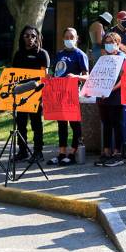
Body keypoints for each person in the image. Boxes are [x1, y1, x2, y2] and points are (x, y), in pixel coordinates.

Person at [48, 28, 90, 165]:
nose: (69, 39)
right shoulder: (59, 54)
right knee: (61, 124)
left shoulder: (80, 54)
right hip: (58, 94)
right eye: (66, 37)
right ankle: (61, 153)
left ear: (77, 38)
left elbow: (87, 76)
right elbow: (55, 72)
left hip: (72, 94)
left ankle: (72, 154)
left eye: (72, 37)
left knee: (74, 124)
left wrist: (76, 77)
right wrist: (49, 77)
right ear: (62, 39)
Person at [11, 25, 51, 163]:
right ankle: (22, 151)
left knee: (36, 124)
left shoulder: (42, 54)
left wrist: (43, 98)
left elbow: (45, 78)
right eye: (27, 36)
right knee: (20, 123)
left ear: (37, 37)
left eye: (33, 36)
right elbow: (14, 75)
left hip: (36, 94)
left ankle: (38, 152)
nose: (30, 39)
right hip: (21, 94)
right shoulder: (18, 54)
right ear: (22, 37)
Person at [94, 32, 126, 167]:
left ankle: (118, 153)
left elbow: (124, 79)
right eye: (106, 42)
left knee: (116, 124)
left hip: (116, 96)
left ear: (118, 43)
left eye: (111, 42)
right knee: (106, 123)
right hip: (103, 96)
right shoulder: (104, 58)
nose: (108, 44)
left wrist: (111, 89)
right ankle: (106, 152)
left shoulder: (123, 57)